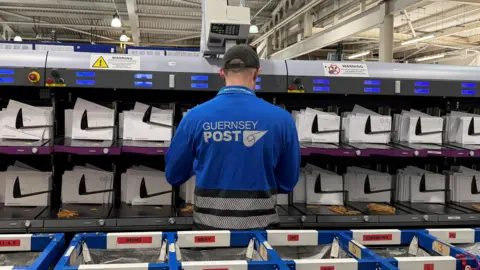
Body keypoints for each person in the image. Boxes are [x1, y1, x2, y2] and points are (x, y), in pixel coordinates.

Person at [165, 44, 300, 230]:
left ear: (222, 73)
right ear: (257, 73)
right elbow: (287, 182)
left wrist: (201, 162)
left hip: (208, 235)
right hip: (261, 235)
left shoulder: (194, 117)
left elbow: (174, 175)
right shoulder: (283, 120)